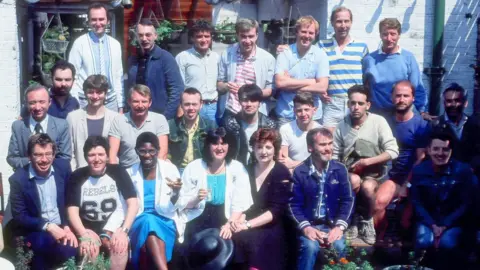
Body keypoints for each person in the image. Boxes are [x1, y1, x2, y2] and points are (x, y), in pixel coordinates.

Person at [333, 85, 398, 245]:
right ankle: (353, 219)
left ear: (368, 105)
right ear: (348, 104)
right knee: (353, 181)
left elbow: (393, 151)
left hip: (374, 173)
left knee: (368, 186)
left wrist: (367, 161)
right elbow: (334, 155)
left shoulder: (378, 122)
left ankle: (367, 220)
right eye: (353, 103)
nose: (356, 107)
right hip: (350, 172)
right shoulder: (341, 126)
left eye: (360, 103)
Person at [5, 134, 77, 269]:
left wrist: (68, 225)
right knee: (42, 243)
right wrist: (48, 226)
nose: (44, 160)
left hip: (62, 227)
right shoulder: (18, 179)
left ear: (54, 154)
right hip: (34, 229)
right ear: (29, 156)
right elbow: (20, 215)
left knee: (72, 249)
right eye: (38, 155)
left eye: (48, 154)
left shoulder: (63, 168)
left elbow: (70, 199)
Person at [66, 136, 139, 269]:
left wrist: (124, 230)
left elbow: (133, 203)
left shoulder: (118, 172)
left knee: (119, 246)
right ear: (85, 157)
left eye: (101, 154)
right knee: (90, 248)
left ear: (107, 156)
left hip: (114, 225)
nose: (97, 159)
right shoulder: (77, 176)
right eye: (92, 155)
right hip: (89, 226)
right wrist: (83, 233)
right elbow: (72, 211)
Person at [289, 128, 354, 270]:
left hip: (332, 225)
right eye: (323, 145)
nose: (328, 148)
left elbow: (348, 200)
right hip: (309, 225)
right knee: (310, 247)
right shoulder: (300, 172)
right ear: (310, 148)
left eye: (330, 144)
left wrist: (339, 227)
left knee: (339, 246)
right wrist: (306, 228)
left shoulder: (340, 169)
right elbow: (293, 205)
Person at [374, 81, 431, 241]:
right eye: (398, 95)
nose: (401, 99)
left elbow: (421, 158)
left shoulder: (421, 125)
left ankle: (407, 253)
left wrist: (407, 184)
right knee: (378, 203)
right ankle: (381, 240)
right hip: (389, 176)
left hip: (412, 177)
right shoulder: (384, 121)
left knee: (406, 220)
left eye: (406, 96)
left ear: (413, 98)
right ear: (392, 98)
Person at [411, 132, 477, 270]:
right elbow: (417, 202)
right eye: (436, 149)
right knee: (423, 241)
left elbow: (465, 204)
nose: (440, 153)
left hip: (453, 221)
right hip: (428, 220)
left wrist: (445, 225)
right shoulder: (419, 170)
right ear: (428, 150)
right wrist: (433, 225)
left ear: (451, 151)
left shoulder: (463, 171)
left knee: (447, 243)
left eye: (445, 149)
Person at [230, 128, 291, 270]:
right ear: (253, 149)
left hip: (271, 224)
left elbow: (275, 211)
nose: (263, 151)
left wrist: (247, 225)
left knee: (257, 241)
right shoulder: (247, 169)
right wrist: (239, 220)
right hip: (247, 221)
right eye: (259, 147)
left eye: (268, 147)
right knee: (236, 237)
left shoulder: (281, 172)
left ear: (275, 149)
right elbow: (244, 202)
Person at [179, 127, 253, 242]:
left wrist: (229, 224)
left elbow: (240, 203)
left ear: (229, 146)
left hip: (227, 216)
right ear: (208, 145)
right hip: (198, 216)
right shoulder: (194, 167)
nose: (219, 148)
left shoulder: (237, 168)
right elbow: (182, 203)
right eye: (215, 143)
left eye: (223, 144)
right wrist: (196, 198)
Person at [128, 132, 186, 270]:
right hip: (139, 219)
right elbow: (126, 205)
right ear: (136, 151)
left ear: (158, 151)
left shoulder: (169, 169)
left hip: (165, 219)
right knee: (148, 221)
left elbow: (177, 205)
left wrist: (176, 193)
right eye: (142, 151)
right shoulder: (130, 173)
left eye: (151, 151)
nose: (147, 155)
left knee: (151, 228)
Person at [362, 18, 428, 119]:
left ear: (399, 35)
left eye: (393, 34)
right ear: (380, 35)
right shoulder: (369, 59)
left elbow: (417, 86)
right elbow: (364, 87)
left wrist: (422, 110)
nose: (389, 38)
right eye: (385, 34)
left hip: (401, 115)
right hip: (375, 115)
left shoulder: (408, 58)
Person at [318, 7, 368, 132]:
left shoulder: (361, 47)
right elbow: (311, 68)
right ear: (332, 23)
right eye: (339, 21)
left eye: (346, 21)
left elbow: (367, 78)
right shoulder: (321, 45)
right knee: (329, 144)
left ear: (351, 22)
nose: (343, 25)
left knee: (355, 144)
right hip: (332, 103)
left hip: (354, 103)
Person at [217, 18, 275, 123]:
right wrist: (227, 86)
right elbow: (219, 84)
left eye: (251, 36)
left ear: (257, 35)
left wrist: (251, 94)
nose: (247, 41)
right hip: (231, 110)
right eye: (243, 36)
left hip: (255, 112)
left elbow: (270, 89)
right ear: (237, 35)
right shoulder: (227, 54)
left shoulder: (267, 58)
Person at [68, 2, 124, 112]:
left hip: (110, 102)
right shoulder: (79, 43)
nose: (98, 23)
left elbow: (118, 76)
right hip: (86, 101)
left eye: (101, 19)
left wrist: (120, 104)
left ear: (108, 21)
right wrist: (75, 102)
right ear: (88, 21)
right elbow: (73, 76)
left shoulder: (115, 45)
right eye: (94, 19)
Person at [275, 15, 329, 126]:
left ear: (315, 35)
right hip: (286, 114)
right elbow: (279, 82)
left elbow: (322, 86)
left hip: (312, 115)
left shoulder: (321, 55)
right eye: (303, 32)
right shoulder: (285, 53)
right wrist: (310, 82)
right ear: (296, 32)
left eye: (311, 33)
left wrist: (290, 84)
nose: (307, 36)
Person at [126, 19, 184, 119]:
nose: (144, 39)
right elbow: (128, 87)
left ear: (155, 36)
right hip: (136, 115)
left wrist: (166, 117)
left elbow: (176, 90)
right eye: (140, 35)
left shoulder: (165, 58)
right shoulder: (133, 59)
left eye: (148, 35)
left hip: (159, 116)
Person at [7, 84, 71, 169]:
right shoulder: (18, 126)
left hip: (53, 177)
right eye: (32, 103)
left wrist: (45, 166)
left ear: (49, 102)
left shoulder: (62, 125)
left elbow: (65, 157)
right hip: (27, 178)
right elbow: (12, 158)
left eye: (42, 102)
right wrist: (33, 162)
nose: (37, 107)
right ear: (26, 104)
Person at [109, 84, 169, 168]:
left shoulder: (159, 120)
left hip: (152, 170)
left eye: (144, 101)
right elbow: (112, 157)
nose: (140, 105)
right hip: (126, 171)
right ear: (129, 102)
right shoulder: (119, 121)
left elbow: (162, 153)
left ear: (150, 102)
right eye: (136, 101)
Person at [67, 74, 119, 169]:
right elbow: (70, 151)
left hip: (108, 173)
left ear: (105, 93)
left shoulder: (115, 118)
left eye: (99, 92)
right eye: (91, 92)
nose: (95, 96)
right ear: (85, 93)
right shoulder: (73, 117)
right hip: (81, 172)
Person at [175, 20, 219, 122]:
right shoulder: (183, 57)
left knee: (213, 137)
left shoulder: (216, 57)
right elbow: (178, 86)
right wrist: (180, 107)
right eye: (199, 36)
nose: (204, 40)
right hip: (192, 108)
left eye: (207, 36)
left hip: (213, 108)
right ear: (192, 38)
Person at [222, 84, 276, 165]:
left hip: (261, 166)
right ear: (239, 101)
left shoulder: (270, 125)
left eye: (253, 100)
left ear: (259, 103)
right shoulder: (229, 123)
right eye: (245, 100)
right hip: (237, 166)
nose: (249, 104)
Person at [168, 88, 217, 172]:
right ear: (181, 105)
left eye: (194, 104)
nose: (191, 108)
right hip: (177, 169)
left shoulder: (210, 126)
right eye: (187, 104)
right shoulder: (171, 125)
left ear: (201, 104)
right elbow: (166, 153)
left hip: (202, 169)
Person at [279, 92, 321, 170]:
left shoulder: (320, 131)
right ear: (294, 111)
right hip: (292, 172)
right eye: (299, 110)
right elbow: (284, 161)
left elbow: (320, 161)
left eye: (306, 109)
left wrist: (295, 164)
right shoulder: (285, 129)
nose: (303, 114)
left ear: (314, 110)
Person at [430, 83, 469, 161]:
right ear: (444, 104)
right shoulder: (434, 125)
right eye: (449, 101)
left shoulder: (475, 124)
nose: (453, 104)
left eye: (457, 100)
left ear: (465, 103)